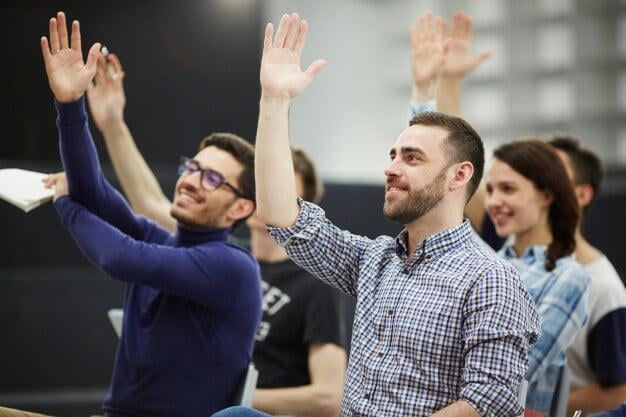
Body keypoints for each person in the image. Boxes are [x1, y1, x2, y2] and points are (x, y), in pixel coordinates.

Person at [239, 12, 541, 417]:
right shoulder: (375, 260)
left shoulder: (490, 279)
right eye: (392, 155)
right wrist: (274, 101)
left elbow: (489, 403)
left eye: (411, 158)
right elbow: (282, 217)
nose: (391, 167)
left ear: (459, 175)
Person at [19, 12, 261, 417]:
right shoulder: (160, 240)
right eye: (192, 168)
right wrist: (70, 106)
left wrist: (63, 202)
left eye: (213, 178)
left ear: (240, 208)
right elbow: (92, 192)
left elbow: (118, 257)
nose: (190, 181)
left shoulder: (232, 267)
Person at [84, 51, 347, 416]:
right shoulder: (225, 255)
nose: (269, 194)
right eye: (264, 184)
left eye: (281, 189)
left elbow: (328, 398)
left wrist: (230, 394)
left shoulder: (316, 284)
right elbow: (149, 205)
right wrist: (113, 124)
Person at [484, 139, 590, 416]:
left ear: (546, 196)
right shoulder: (487, 262)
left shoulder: (569, 278)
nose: (494, 202)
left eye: (508, 189)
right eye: (490, 190)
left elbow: (518, 367)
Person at [548, 137, 626, 416]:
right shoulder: (508, 264)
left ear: (582, 195)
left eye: (554, 177)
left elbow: (618, 390)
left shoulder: (603, 287)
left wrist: (533, 406)